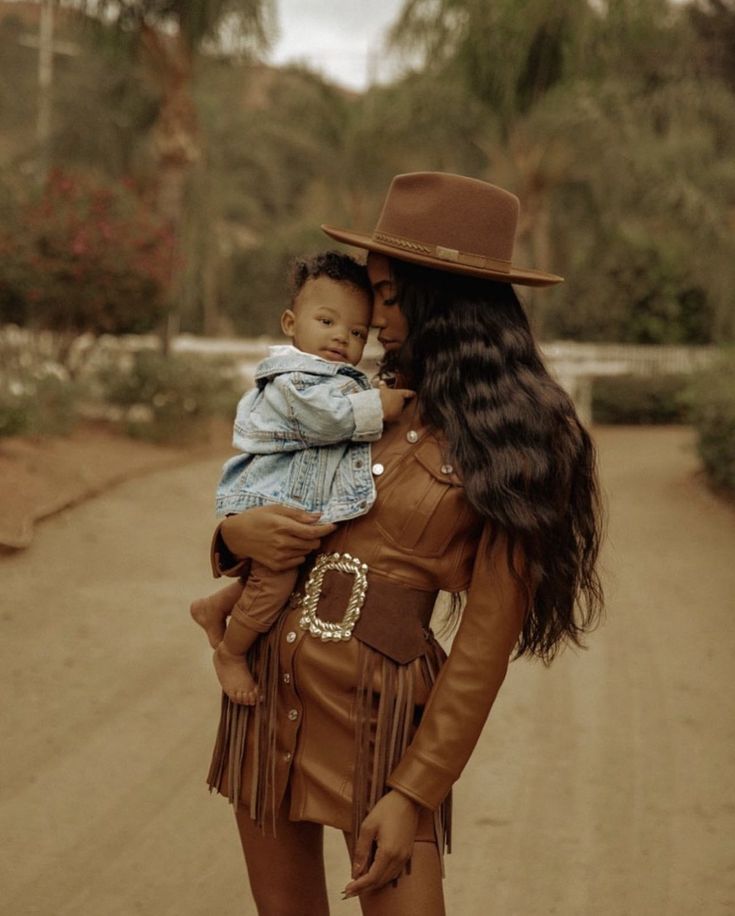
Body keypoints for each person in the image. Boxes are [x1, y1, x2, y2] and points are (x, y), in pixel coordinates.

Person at [203, 172, 604, 915]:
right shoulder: (352, 399)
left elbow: (483, 647)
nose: (370, 315)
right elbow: (264, 484)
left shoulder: (520, 440)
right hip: (270, 691)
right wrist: (232, 534)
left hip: (383, 721)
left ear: (443, 298)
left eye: (387, 296)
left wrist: (414, 791)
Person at [191, 251, 414, 704]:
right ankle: (232, 652)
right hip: (275, 497)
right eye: (327, 322)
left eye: (356, 332)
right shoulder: (293, 376)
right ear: (291, 323)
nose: (341, 338)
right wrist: (378, 405)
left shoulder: (333, 377)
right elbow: (326, 420)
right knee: (275, 579)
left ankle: (216, 606)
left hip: (298, 496)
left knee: (291, 571)